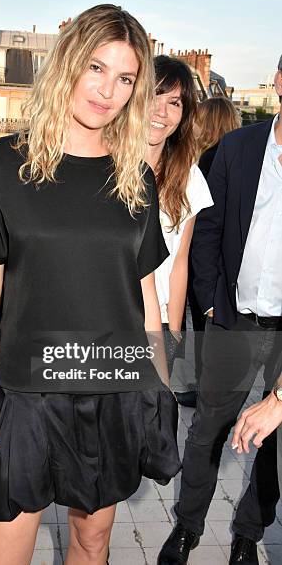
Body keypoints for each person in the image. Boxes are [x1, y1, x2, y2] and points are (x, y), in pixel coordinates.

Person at [0, 4, 181, 565]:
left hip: (111, 389)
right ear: (68, 64)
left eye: (125, 78)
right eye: (97, 68)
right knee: (2, 552)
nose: (108, 90)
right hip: (26, 395)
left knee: (92, 541)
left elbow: (145, 293)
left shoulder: (135, 178)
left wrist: (158, 387)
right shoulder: (5, 163)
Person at [158, 55, 282, 565]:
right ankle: (187, 529)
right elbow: (205, 231)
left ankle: (248, 533)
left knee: (275, 442)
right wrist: (208, 303)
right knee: (209, 427)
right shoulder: (238, 147)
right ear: (278, 81)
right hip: (234, 318)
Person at [147, 55, 213, 377]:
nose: (161, 111)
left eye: (174, 102)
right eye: (153, 96)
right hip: (104, 319)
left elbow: (180, 261)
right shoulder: (103, 166)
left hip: (156, 322)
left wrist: (173, 331)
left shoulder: (189, 179)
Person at [178, 96, 241, 408]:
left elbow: (203, 220)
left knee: (206, 332)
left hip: (205, 262)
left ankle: (206, 394)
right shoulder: (235, 158)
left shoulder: (208, 162)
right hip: (225, 264)